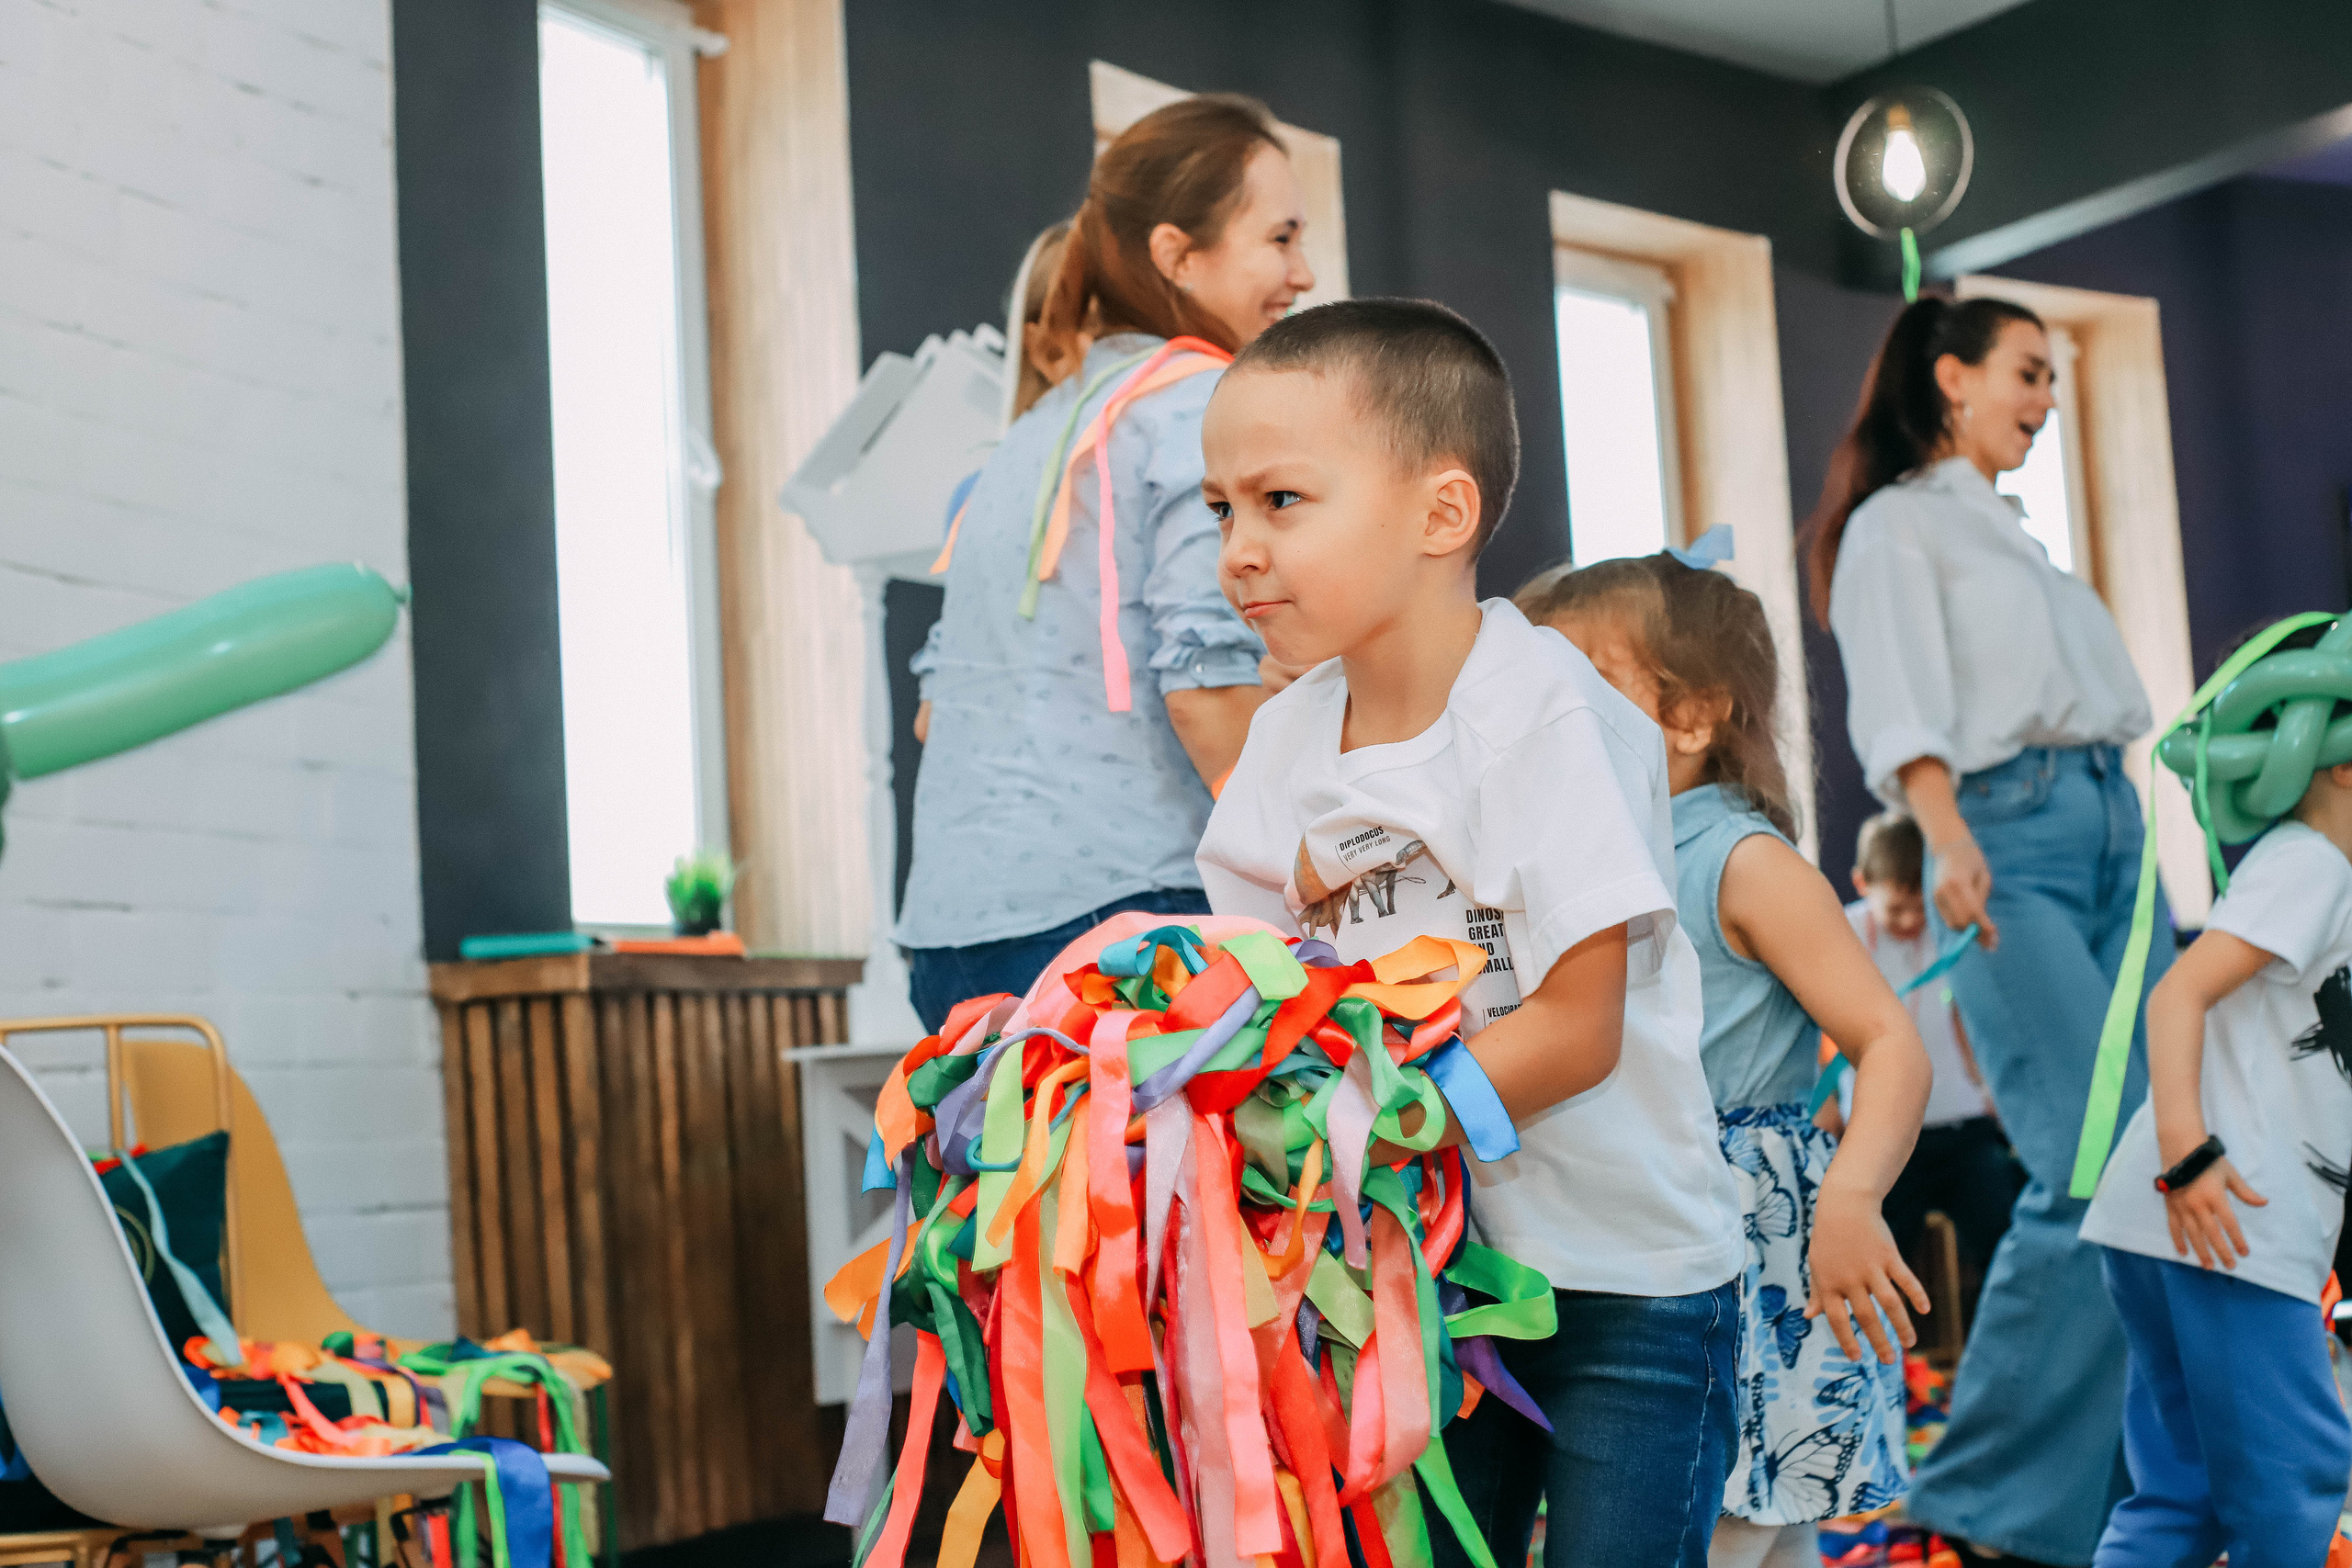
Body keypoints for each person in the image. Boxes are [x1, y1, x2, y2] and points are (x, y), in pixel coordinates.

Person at [1194, 298, 1747, 1568]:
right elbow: (1256, 993)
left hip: (1628, 1283)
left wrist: (1360, 1126)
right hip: (1429, 1288)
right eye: (1222, 508)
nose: (1237, 546)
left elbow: (1575, 1024)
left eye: (1282, 500)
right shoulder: (1285, 741)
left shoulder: (1543, 712)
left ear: (1442, 516)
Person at [1813, 293, 2168, 1568]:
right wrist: (1939, 828)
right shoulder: (1898, 526)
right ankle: (1982, 1505)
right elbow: (1901, 692)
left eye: (2056, 378)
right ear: (1950, 378)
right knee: (2092, 1165)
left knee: (2176, 1155)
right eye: (2028, 371)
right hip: (2006, 833)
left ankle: (2141, 1486)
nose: (2047, 398)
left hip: (2114, 828)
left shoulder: (2015, 536)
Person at [1522, 553, 1932, 1568]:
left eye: (1577, 689)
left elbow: (1888, 1040)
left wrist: (1852, 1197)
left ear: (1691, 718)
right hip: (1635, 1221)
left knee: (1734, 1522)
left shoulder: (1737, 860)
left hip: (1743, 1230)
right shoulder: (1578, 856)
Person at [897, 94, 1316, 1031]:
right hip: (1125, 927)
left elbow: (938, 708)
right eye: (1280, 238)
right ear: (1177, 255)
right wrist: (1321, 873)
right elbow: (1204, 686)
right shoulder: (1197, 400)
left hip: (953, 935)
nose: (1303, 272)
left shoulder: (1034, 429)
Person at [2076, 620, 2352, 1568]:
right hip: (2223, 1217)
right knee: (2292, 1483)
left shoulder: (2311, 871)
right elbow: (2176, 994)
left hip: (2173, 1222)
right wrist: (2187, 1157)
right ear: (2342, 767)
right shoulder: (2311, 865)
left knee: (2181, 1490)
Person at [1846, 810, 2024, 1300]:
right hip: (1883, 1136)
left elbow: (1971, 1017)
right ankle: (1893, 1369)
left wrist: (1989, 1089)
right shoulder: (1846, 936)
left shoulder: (1947, 931)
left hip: (1963, 1124)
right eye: (1896, 909)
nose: (1911, 921)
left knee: (2005, 1242)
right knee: (1882, 1261)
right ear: (1863, 884)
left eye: (1920, 906)